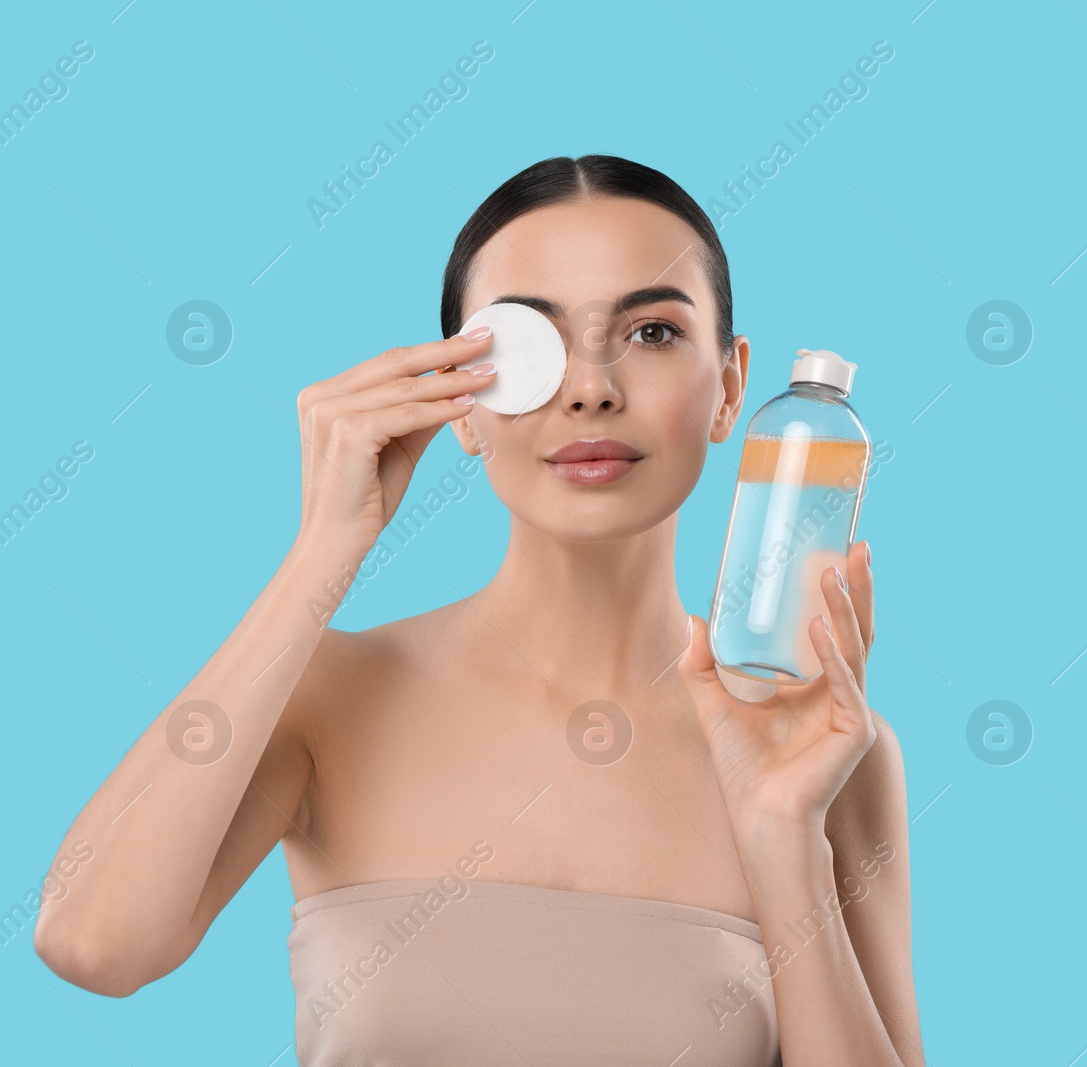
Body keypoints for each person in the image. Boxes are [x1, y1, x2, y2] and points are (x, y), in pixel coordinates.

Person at [34, 154, 923, 1066]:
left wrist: (784, 839)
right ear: (461, 400)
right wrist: (323, 551)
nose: (591, 388)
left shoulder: (818, 745)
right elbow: (94, 945)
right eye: (530, 344)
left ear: (732, 387)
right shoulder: (325, 695)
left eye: (652, 333)